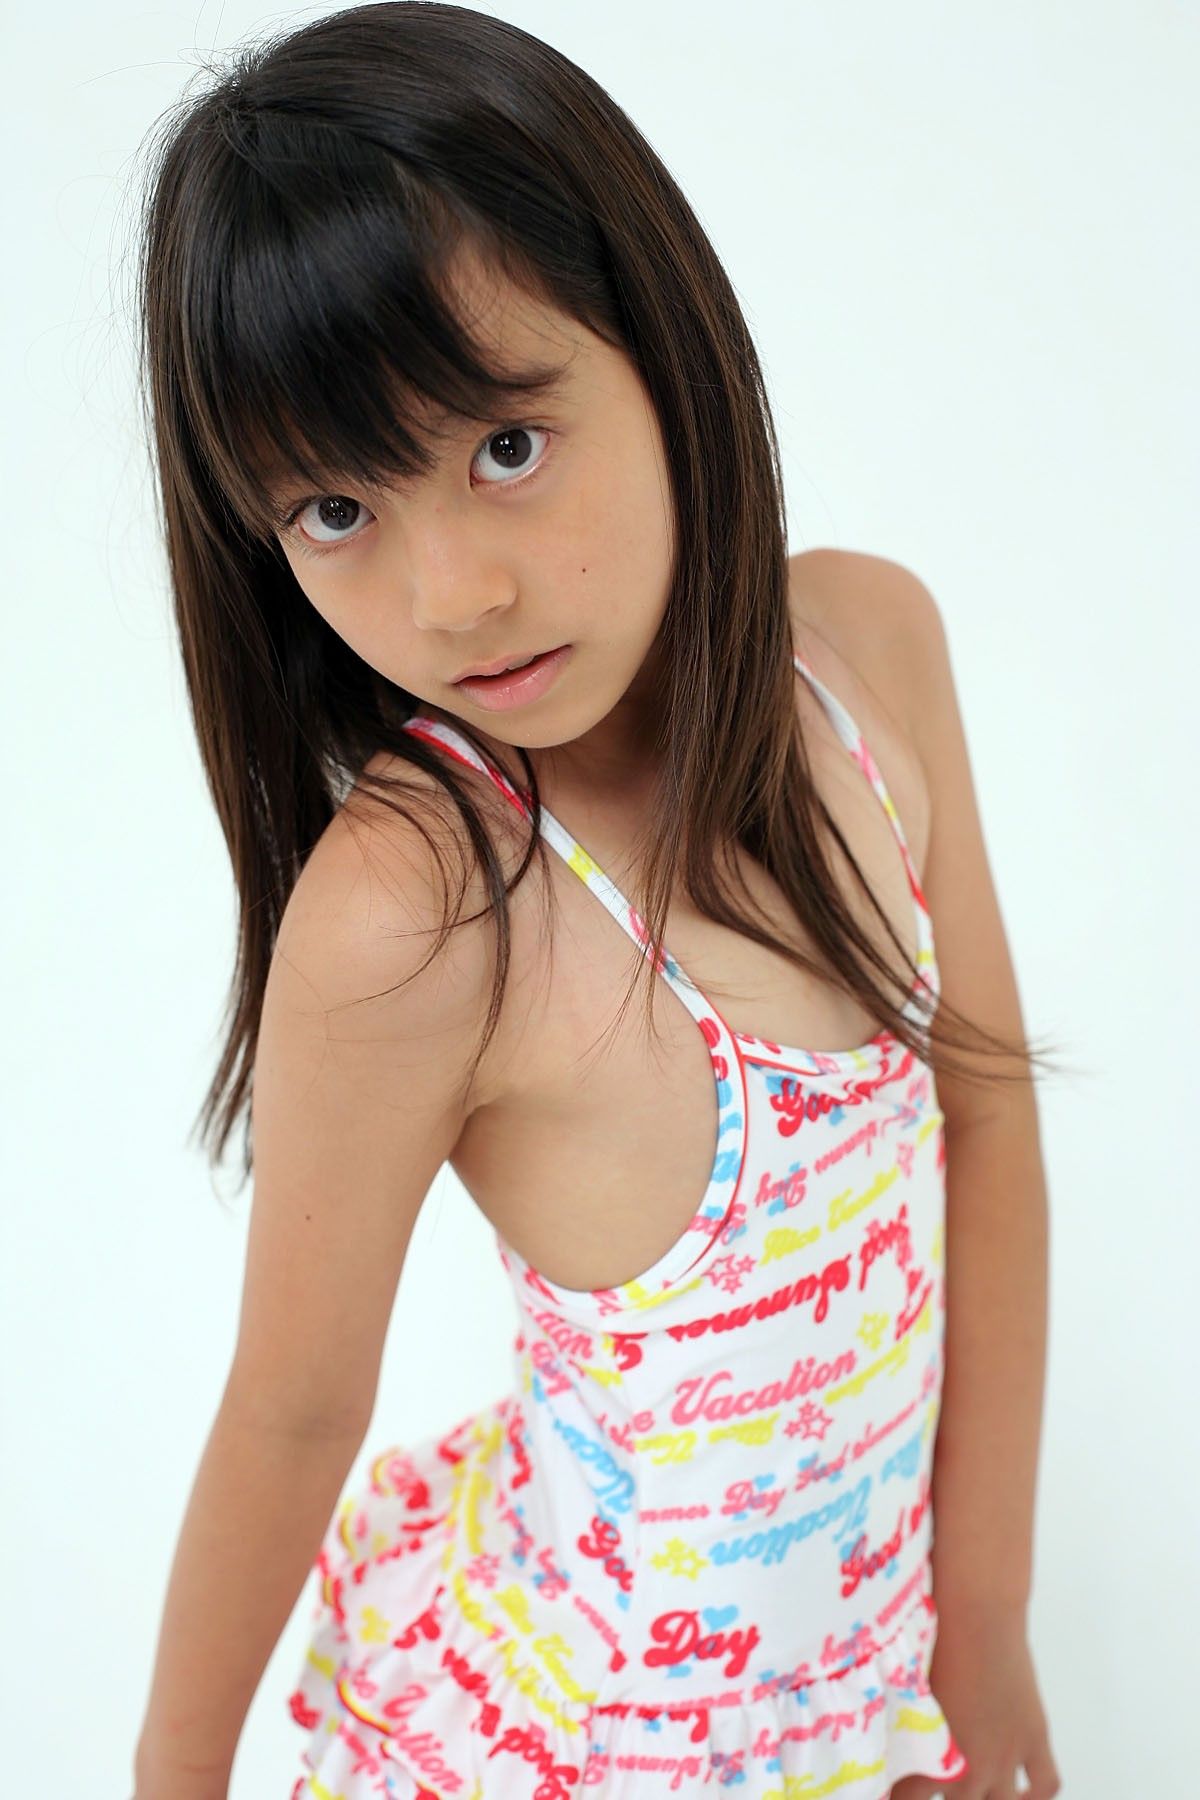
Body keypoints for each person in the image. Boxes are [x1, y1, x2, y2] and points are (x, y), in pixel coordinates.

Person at [128, 6, 1065, 1798]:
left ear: (661, 342)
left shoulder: (870, 654)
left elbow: (988, 1119)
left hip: (861, 1702)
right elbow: (292, 1411)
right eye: (335, 508)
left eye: (504, 445)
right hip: (600, 1742)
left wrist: (988, 1611)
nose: (453, 595)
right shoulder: (423, 910)